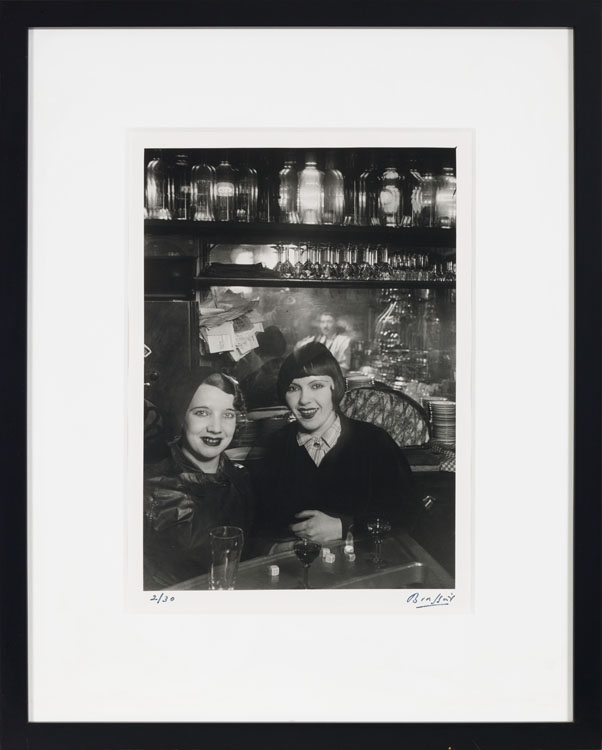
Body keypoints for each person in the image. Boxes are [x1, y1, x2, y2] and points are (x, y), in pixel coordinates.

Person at [253, 342, 415, 549]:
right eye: (293, 388)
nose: (304, 400)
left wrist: (344, 527)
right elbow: (257, 529)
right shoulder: (275, 447)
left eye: (316, 386)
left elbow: (408, 518)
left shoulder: (374, 442)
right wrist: (276, 548)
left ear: (335, 388)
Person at [143, 369, 254, 589]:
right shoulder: (153, 489)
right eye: (202, 413)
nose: (216, 428)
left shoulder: (239, 477)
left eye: (228, 414)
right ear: (180, 417)